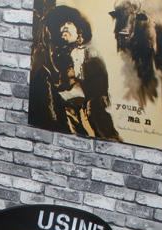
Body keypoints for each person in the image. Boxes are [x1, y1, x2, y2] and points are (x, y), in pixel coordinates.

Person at [29, 5, 121, 140]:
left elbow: (96, 92)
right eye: (62, 24)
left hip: (86, 111)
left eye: (69, 23)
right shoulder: (54, 56)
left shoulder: (88, 55)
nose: (65, 26)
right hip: (65, 112)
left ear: (80, 33)